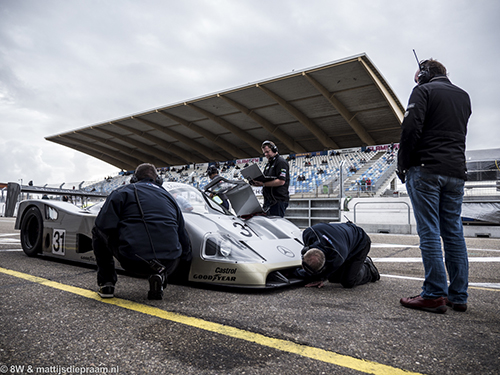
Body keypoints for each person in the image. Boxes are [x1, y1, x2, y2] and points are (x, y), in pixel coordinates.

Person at [397, 58, 471, 314]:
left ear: (426, 73)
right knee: (453, 232)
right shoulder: (464, 96)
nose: (416, 80)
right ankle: (458, 295)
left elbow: (410, 130)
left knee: (429, 231)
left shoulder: (423, 90)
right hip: (456, 171)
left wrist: (403, 164)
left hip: (426, 169)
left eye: (418, 76)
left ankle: (433, 294)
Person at [92, 163, 192, 300]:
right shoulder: (170, 198)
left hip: (134, 260)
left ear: (133, 179)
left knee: (97, 231)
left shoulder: (122, 192)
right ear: (158, 180)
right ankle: (160, 276)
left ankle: (106, 284)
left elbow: (103, 225)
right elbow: (184, 237)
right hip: (169, 263)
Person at [298, 222, 380, 288]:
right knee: (334, 278)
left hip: (360, 243)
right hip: (344, 238)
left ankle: (368, 268)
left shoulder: (337, 257)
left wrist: (320, 278)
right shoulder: (308, 233)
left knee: (348, 282)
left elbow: (324, 274)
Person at [251, 140, 290, 217]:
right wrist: (257, 183)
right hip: (269, 200)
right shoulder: (268, 164)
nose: (266, 154)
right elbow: (265, 179)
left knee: (276, 225)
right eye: (264, 153)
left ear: (274, 150)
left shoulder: (281, 162)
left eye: (268, 152)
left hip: (277, 200)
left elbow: (281, 181)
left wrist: (263, 184)